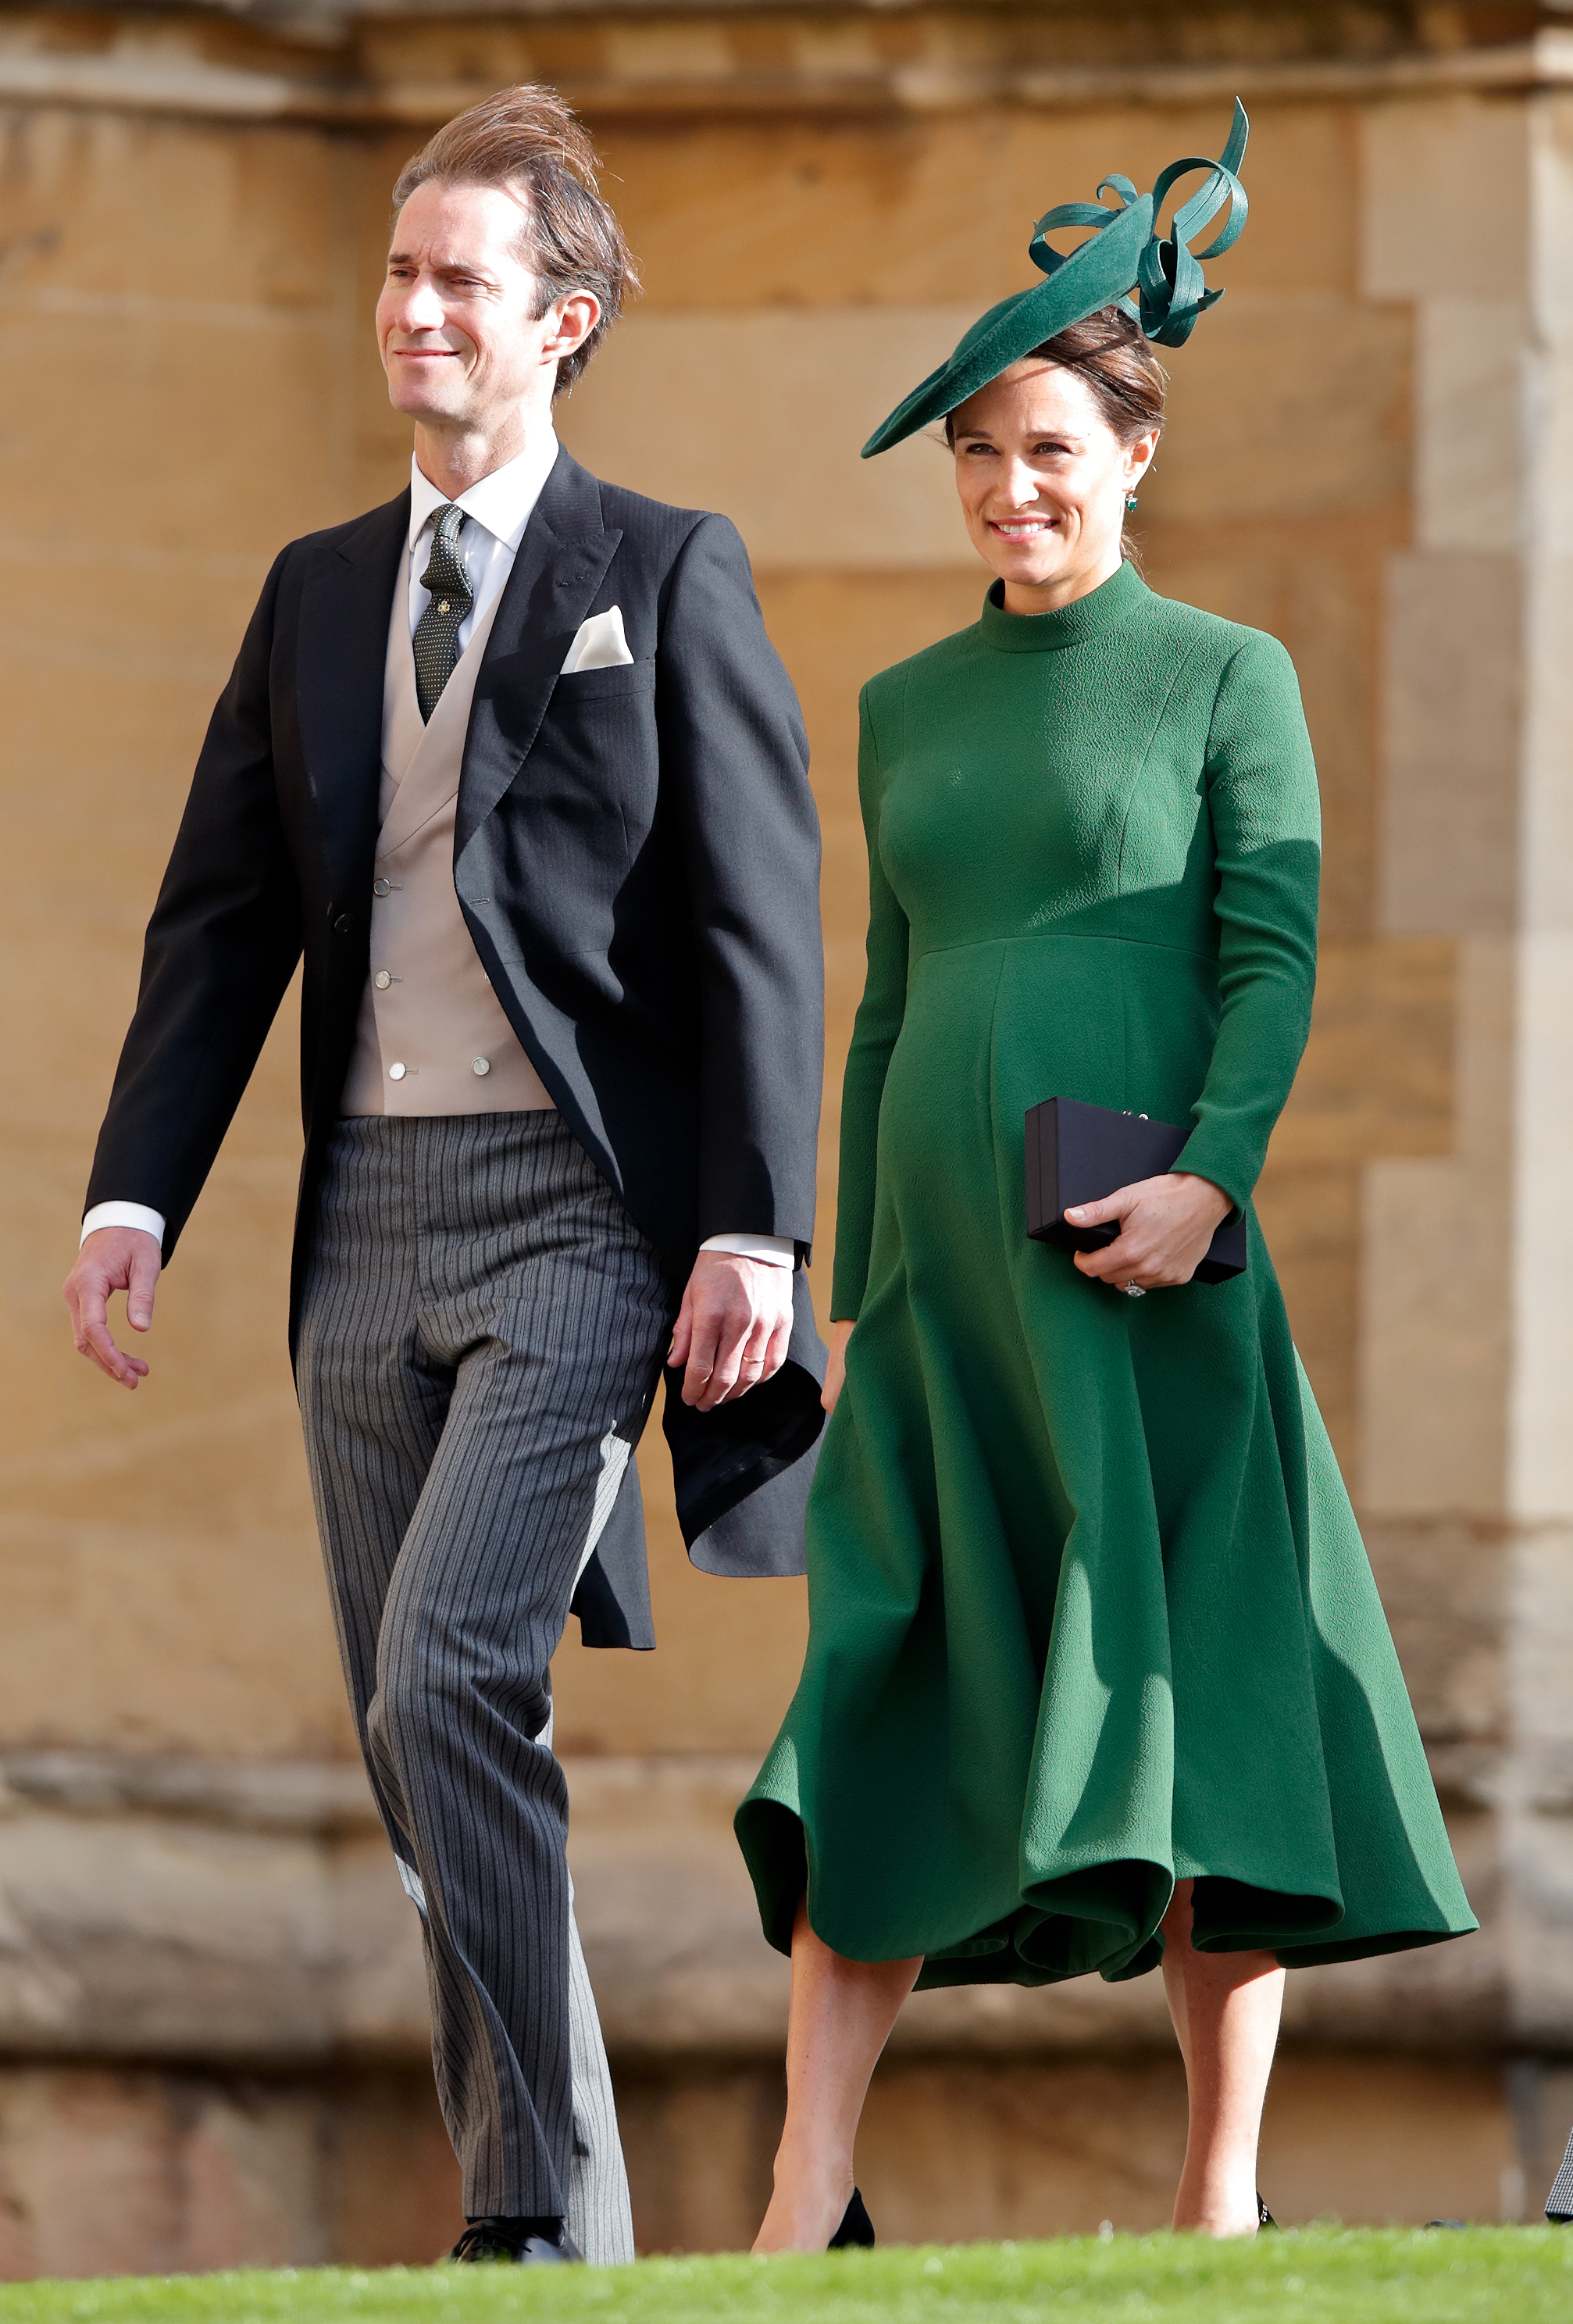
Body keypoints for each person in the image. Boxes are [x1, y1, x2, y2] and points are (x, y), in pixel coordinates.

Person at [62, 86, 826, 2267]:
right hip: (357, 1221)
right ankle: (544, 2210)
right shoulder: (311, 596)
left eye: (455, 280)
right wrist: (136, 1198)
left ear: (562, 320)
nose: (408, 310)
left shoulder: (658, 569)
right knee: (415, 1759)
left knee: (446, 1677)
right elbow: (215, 924)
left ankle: (542, 2200)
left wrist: (752, 1217)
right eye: (395, 273)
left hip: (578, 1217)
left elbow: (755, 918)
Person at [735, 102, 1476, 2251]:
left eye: (1049, 445)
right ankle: (804, 2191)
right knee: (876, 1675)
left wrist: (1210, 1190)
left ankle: (1219, 2193)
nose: (1011, 485)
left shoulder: (1227, 675)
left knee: (1193, 1698)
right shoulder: (898, 703)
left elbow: (1272, 957)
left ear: (1134, 455)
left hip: (1145, 1274)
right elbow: (883, 1001)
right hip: (948, 1305)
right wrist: (861, 1272)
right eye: (980, 452)